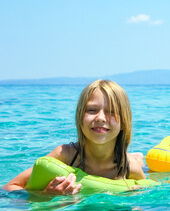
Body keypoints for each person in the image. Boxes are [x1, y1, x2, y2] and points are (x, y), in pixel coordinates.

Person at [3, 80, 145, 195]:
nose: (101, 118)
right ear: (80, 118)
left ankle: (139, 157)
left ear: (123, 122)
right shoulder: (64, 155)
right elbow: (9, 187)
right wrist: (47, 194)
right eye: (92, 110)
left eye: (111, 112)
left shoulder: (129, 168)